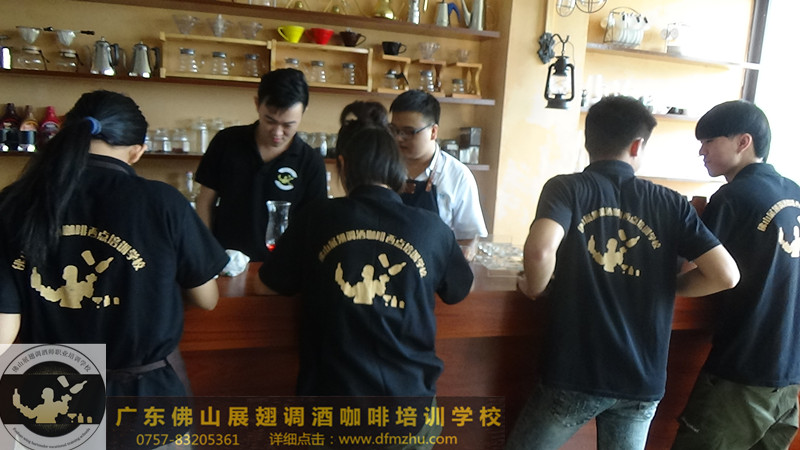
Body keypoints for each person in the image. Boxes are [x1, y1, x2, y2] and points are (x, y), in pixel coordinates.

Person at [505, 95, 740, 450]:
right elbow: (726, 275)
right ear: (636, 145)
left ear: (588, 140)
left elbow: (540, 250)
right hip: (641, 380)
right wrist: (669, 285)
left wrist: (535, 288)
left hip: (576, 372)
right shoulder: (671, 202)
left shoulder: (567, 188)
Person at [0, 90, 229, 397]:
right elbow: (206, 299)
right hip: (144, 395)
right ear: (137, 151)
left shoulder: (14, 203)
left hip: (50, 395)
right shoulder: (162, 202)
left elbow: (4, 329)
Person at [255, 100, 473, 401]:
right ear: (398, 166)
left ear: (342, 164)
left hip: (331, 405)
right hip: (410, 406)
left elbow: (265, 285)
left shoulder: (316, 217)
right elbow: (459, 290)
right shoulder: (433, 228)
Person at [672, 101, 800, 449]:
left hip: (741, 369)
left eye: (710, 141)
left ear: (743, 142)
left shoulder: (733, 197)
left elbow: (699, 273)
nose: (702, 151)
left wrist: (666, 287)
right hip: (788, 376)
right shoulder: (794, 191)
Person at [194, 68, 327, 262]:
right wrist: (206, 252)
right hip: (225, 261)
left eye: (288, 125)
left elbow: (313, 225)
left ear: (303, 112)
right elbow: (205, 202)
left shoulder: (310, 162)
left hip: (282, 267)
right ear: (257, 104)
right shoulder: (227, 142)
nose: (278, 132)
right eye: (270, 120)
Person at [389, 90, 488, 249]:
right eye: (394, 130)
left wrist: (462, 256)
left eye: (408, 132)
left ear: (433, 132)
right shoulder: (381, 168)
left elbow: (470, 238)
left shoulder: (458, 176)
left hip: (437, 263)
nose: (399, 138)